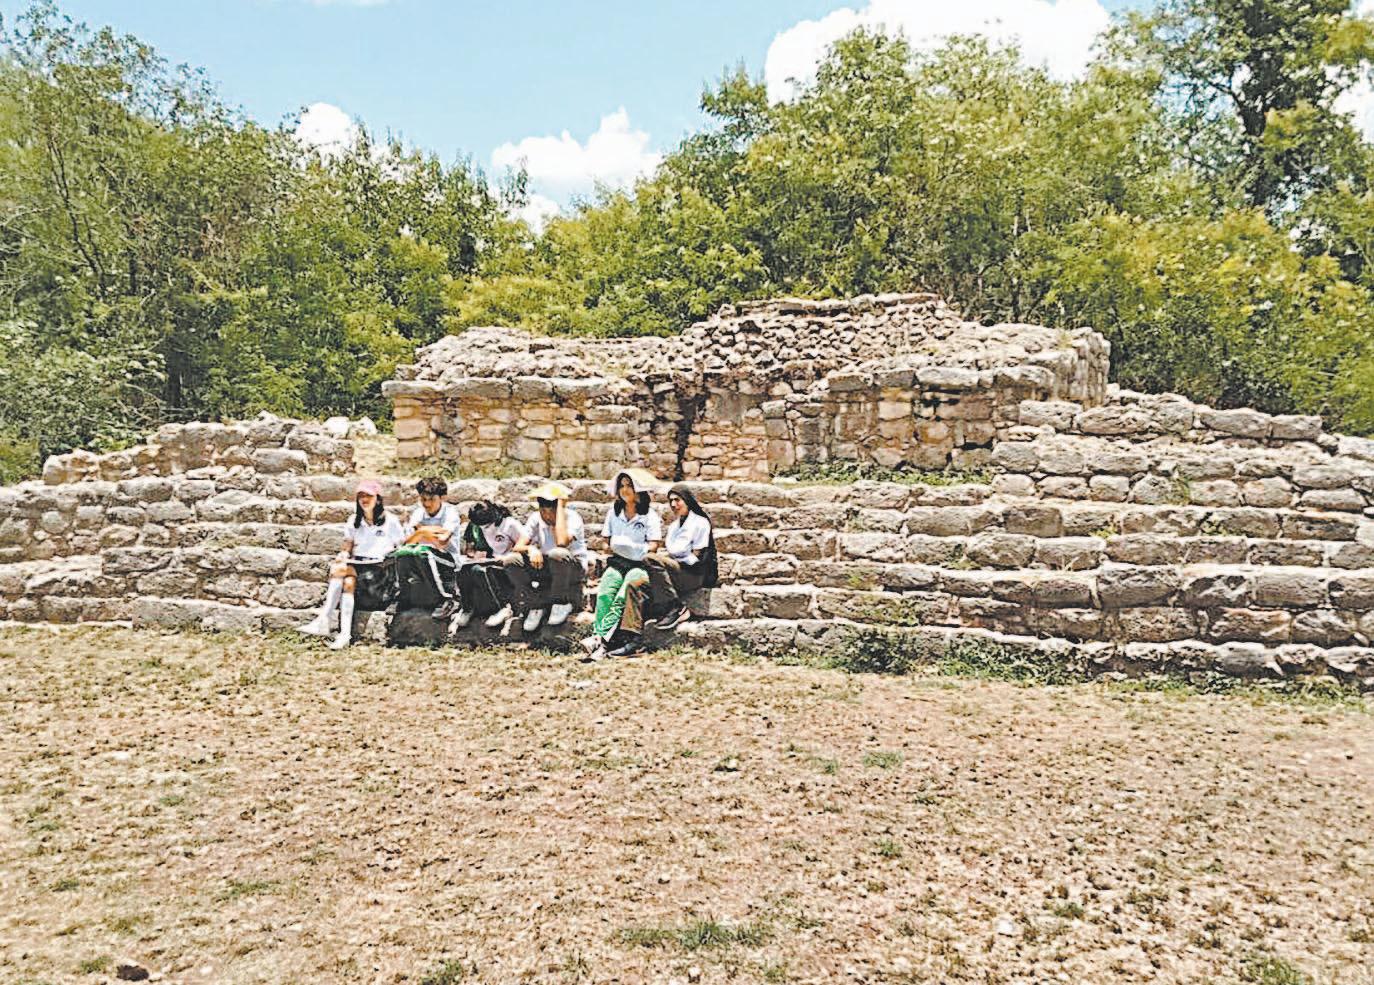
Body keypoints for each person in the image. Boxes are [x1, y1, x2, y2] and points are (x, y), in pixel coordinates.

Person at [298, 479, 405, 649]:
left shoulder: (390, 521)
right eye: (361, 496)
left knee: (341, 570)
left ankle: (324, 619)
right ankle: (344, 635)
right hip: (359, 573)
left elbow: (401, 547)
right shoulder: (354, 521)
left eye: (368, 496)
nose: (364, 499)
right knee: (347, 580)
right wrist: (343, 555)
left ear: (378, 499)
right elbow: (347, 547)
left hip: (380, 577)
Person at [583, 471, 662, 660]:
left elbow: (654, 545)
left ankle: (607, 639)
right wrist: (614, 547)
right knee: (606, 591)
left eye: (629, 486)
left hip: (640, 564)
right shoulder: (614, 513)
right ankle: (598, 636)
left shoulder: (649, 515)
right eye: (621, 486)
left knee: (624, 592)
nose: (625, 490)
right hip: (618, 561)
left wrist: (636, 549)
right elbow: (605, 541)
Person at [498, 482, 589, 632]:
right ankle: (535, 604)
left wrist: (560, 511)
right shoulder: (535, 518)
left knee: (557, 554)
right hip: (547, 565)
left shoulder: (573, 518)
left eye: (550, 510)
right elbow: (518, 546)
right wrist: (531, 549)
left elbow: (561, 542)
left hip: (570, 568)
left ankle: (561, 602)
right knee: (511, 560)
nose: (546, 515)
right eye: (543, 510)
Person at [646, 483, 718, 629]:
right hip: (677, 569)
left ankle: (676, 607)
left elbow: (698, 555)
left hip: (693, 573)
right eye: (671, 501)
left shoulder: (700, 522)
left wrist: (672, 561)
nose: (673, 504)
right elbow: (672, 552)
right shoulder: (674, 527)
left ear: (687, 500)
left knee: (649, 558)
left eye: (677, 500)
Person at [396, 476, 463, 619]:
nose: (427, 503)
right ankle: (403, 596)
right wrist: (426, 532)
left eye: (431, 499)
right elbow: (407, 542)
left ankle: (447, 599)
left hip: (448, 560)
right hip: (421, 558)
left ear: (442, 498)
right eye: (423, 499)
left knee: (423, 552)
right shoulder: (418, 513)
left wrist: (421, 531)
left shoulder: (450, 513)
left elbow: (442, 542)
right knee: (402, 553)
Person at [452, 500, 524, 629]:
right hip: (493, 560)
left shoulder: (510, 524)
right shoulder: (480, 527)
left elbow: (524, 544)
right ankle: (467, 608)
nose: (485, 529)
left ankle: (503, 608)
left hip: (509, 563)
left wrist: (506, 556)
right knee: (465, 569)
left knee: (482, 571)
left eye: (486, 526)